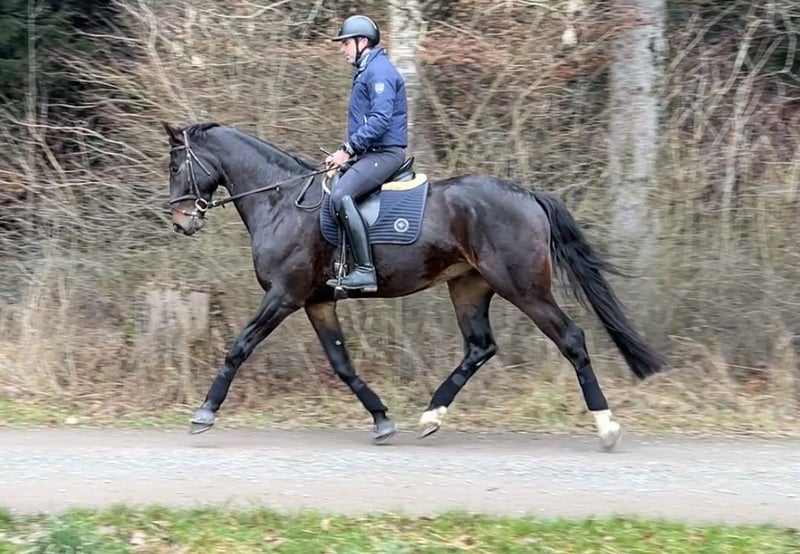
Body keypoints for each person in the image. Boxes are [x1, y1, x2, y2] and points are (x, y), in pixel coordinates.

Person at [325, 14, 409, 293]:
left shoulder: (379, 71)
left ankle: (364, 270)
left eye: (345, 43)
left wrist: (347, 150)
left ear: (362, 42)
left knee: (341, 195)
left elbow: (380, 120)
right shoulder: (367, 70)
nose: (342, 49)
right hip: (370, 153)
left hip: (384, 154)